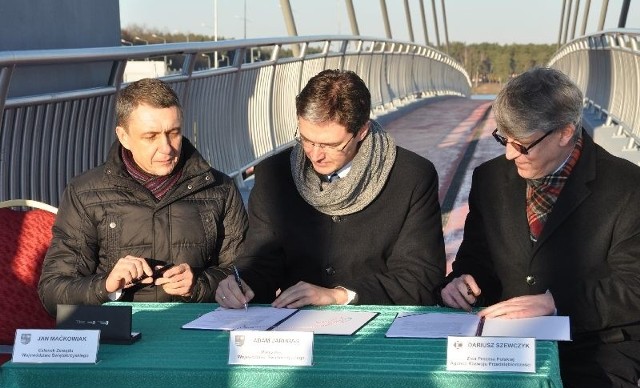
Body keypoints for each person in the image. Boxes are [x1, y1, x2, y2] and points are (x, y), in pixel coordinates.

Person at [439, 67, 640, 388]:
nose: (510, 155)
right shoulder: (490, 179)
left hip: (596, 349)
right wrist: (461, 283)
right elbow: (477, 260)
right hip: (508, 343)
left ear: (566, 132)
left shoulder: (628, 187)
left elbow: (633, 287)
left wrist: (556, 303)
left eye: (522, 145)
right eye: (504, 140)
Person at [216, 69, 445, 308]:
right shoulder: (275, 174)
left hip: (377, 325)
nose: (315, 154)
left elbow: (422, 278)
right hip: (297, 325)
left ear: (361, 131)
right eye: (306, 139)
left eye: (331, 144)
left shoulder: (411, 176)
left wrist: (340, 296)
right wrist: (242, 283)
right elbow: (262, 260)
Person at [38, 78, 248, 315]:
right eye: (151, 136)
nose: (167, 147)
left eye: (174, 133)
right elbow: (52, 292)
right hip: (117, 333)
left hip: (197, 329)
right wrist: (106, 285)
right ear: (123, 136)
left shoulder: (220, 188)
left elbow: (247, 273)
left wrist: (198, 284)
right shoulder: (85, 192)